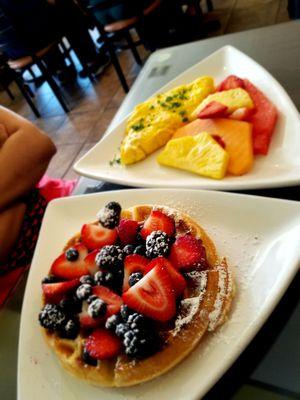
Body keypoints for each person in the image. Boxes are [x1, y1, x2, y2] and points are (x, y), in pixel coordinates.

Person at [0, 0, 110, 83]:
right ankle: (92, 59)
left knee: (38, 25)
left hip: (12, 53)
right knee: (65, 9)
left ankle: (60, 70)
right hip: (30, 44)